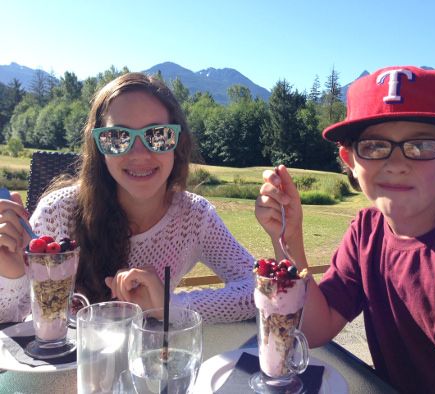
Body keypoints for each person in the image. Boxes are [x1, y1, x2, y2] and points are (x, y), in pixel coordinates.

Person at [255, 66, 435, 393]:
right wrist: (288, 238)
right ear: (350, 159)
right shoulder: (366, 232)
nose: (396, 163)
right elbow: (314, 329)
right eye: (374, 146)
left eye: (421, 146)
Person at [0, 72, 255, 324]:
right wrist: (11, 276)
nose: (139, 153)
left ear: (177, 143)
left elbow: (259, 290)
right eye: (117, 137)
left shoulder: (195, 217)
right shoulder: (57, 212)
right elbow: (15, 316)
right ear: (99, 148)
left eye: (158, 135)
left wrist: (168, 306)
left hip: (150, 362)